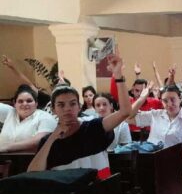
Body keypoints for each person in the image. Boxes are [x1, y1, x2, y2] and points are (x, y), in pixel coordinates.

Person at [27, 52, 131, 180]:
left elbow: (125, 112)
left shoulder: (93, 127)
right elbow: (32, 174)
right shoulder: (49, 140)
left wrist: (118, 75)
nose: (67, 109)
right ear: (53, 109)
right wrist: (53, 137)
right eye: (61, 105)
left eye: (72, 104)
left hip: (98, 191)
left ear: (79, 106)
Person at [0, 84, 57, 152]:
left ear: (36, 103)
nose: (24, 104)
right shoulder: (10, 112)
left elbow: (40, 140)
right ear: (15, 104)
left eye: (29, 101)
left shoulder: (45, 118)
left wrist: (6, 147)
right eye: (20, 101)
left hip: (32, 160)